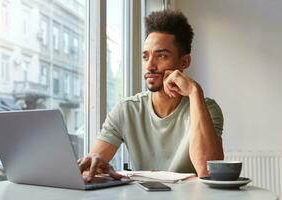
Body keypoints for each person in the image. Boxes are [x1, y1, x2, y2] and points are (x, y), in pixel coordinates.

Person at [78, 10, 224, 182]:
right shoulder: (126, 110)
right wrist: (94, 162)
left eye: (161, 56)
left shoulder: (206, 108)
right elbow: (93, 164)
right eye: (146, 56)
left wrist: (194, 92)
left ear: (184, 62)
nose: (149, 66)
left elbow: (207, 170)